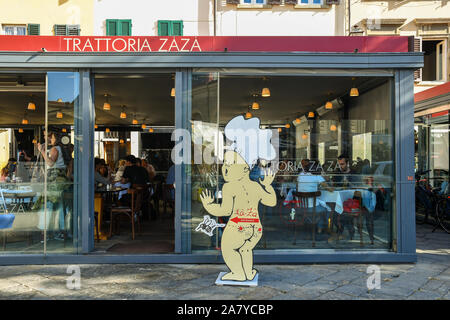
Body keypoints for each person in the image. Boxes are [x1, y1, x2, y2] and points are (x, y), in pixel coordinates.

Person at [35, 131, 69, 239]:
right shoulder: (62, 149)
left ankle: (44, 232)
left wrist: (42, 151)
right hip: (60, 179)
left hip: (55, 179)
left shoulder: (55, 149)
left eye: (46, 136)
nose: (45, 137)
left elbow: (50, 163)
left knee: (47, 205)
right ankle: (60, 232)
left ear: (52, 138)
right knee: (59, 206)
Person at [296, 162, 333, 234]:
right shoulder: (317, 177)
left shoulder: (300, 175)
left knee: (321, 207)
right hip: (313, 207)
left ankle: (313, 226)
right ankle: (322, 228)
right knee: (327, 209)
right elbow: (330, 189)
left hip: (300, 206)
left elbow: (297, 187)